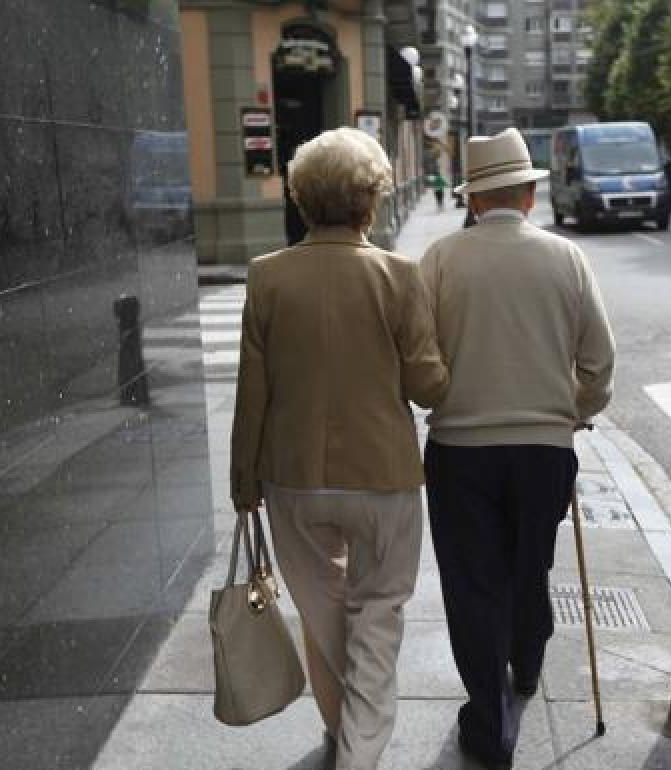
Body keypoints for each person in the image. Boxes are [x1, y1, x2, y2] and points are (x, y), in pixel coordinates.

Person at [230, 127, 449, 770]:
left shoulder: (266, 277)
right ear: (370, 201)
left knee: (323, 614)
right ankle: (359, 753)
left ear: (301, 200)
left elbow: (253, 393)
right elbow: (426, 385)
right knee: (377, 616)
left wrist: (244, 485)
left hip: (292, 478)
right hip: (381, 475)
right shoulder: (398, 275)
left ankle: (342, 732)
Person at [419, 128, 616, 770]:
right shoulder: (567, 258)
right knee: (530, 562)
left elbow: (418, 360)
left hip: (461, 449)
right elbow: (599, 365)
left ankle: (492, 719)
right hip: (543, 448)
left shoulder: (441, 259)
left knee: (474, 582)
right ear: (530, 194)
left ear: (475, 200)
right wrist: (570, 415)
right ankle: (526, 663)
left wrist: (447, 398)